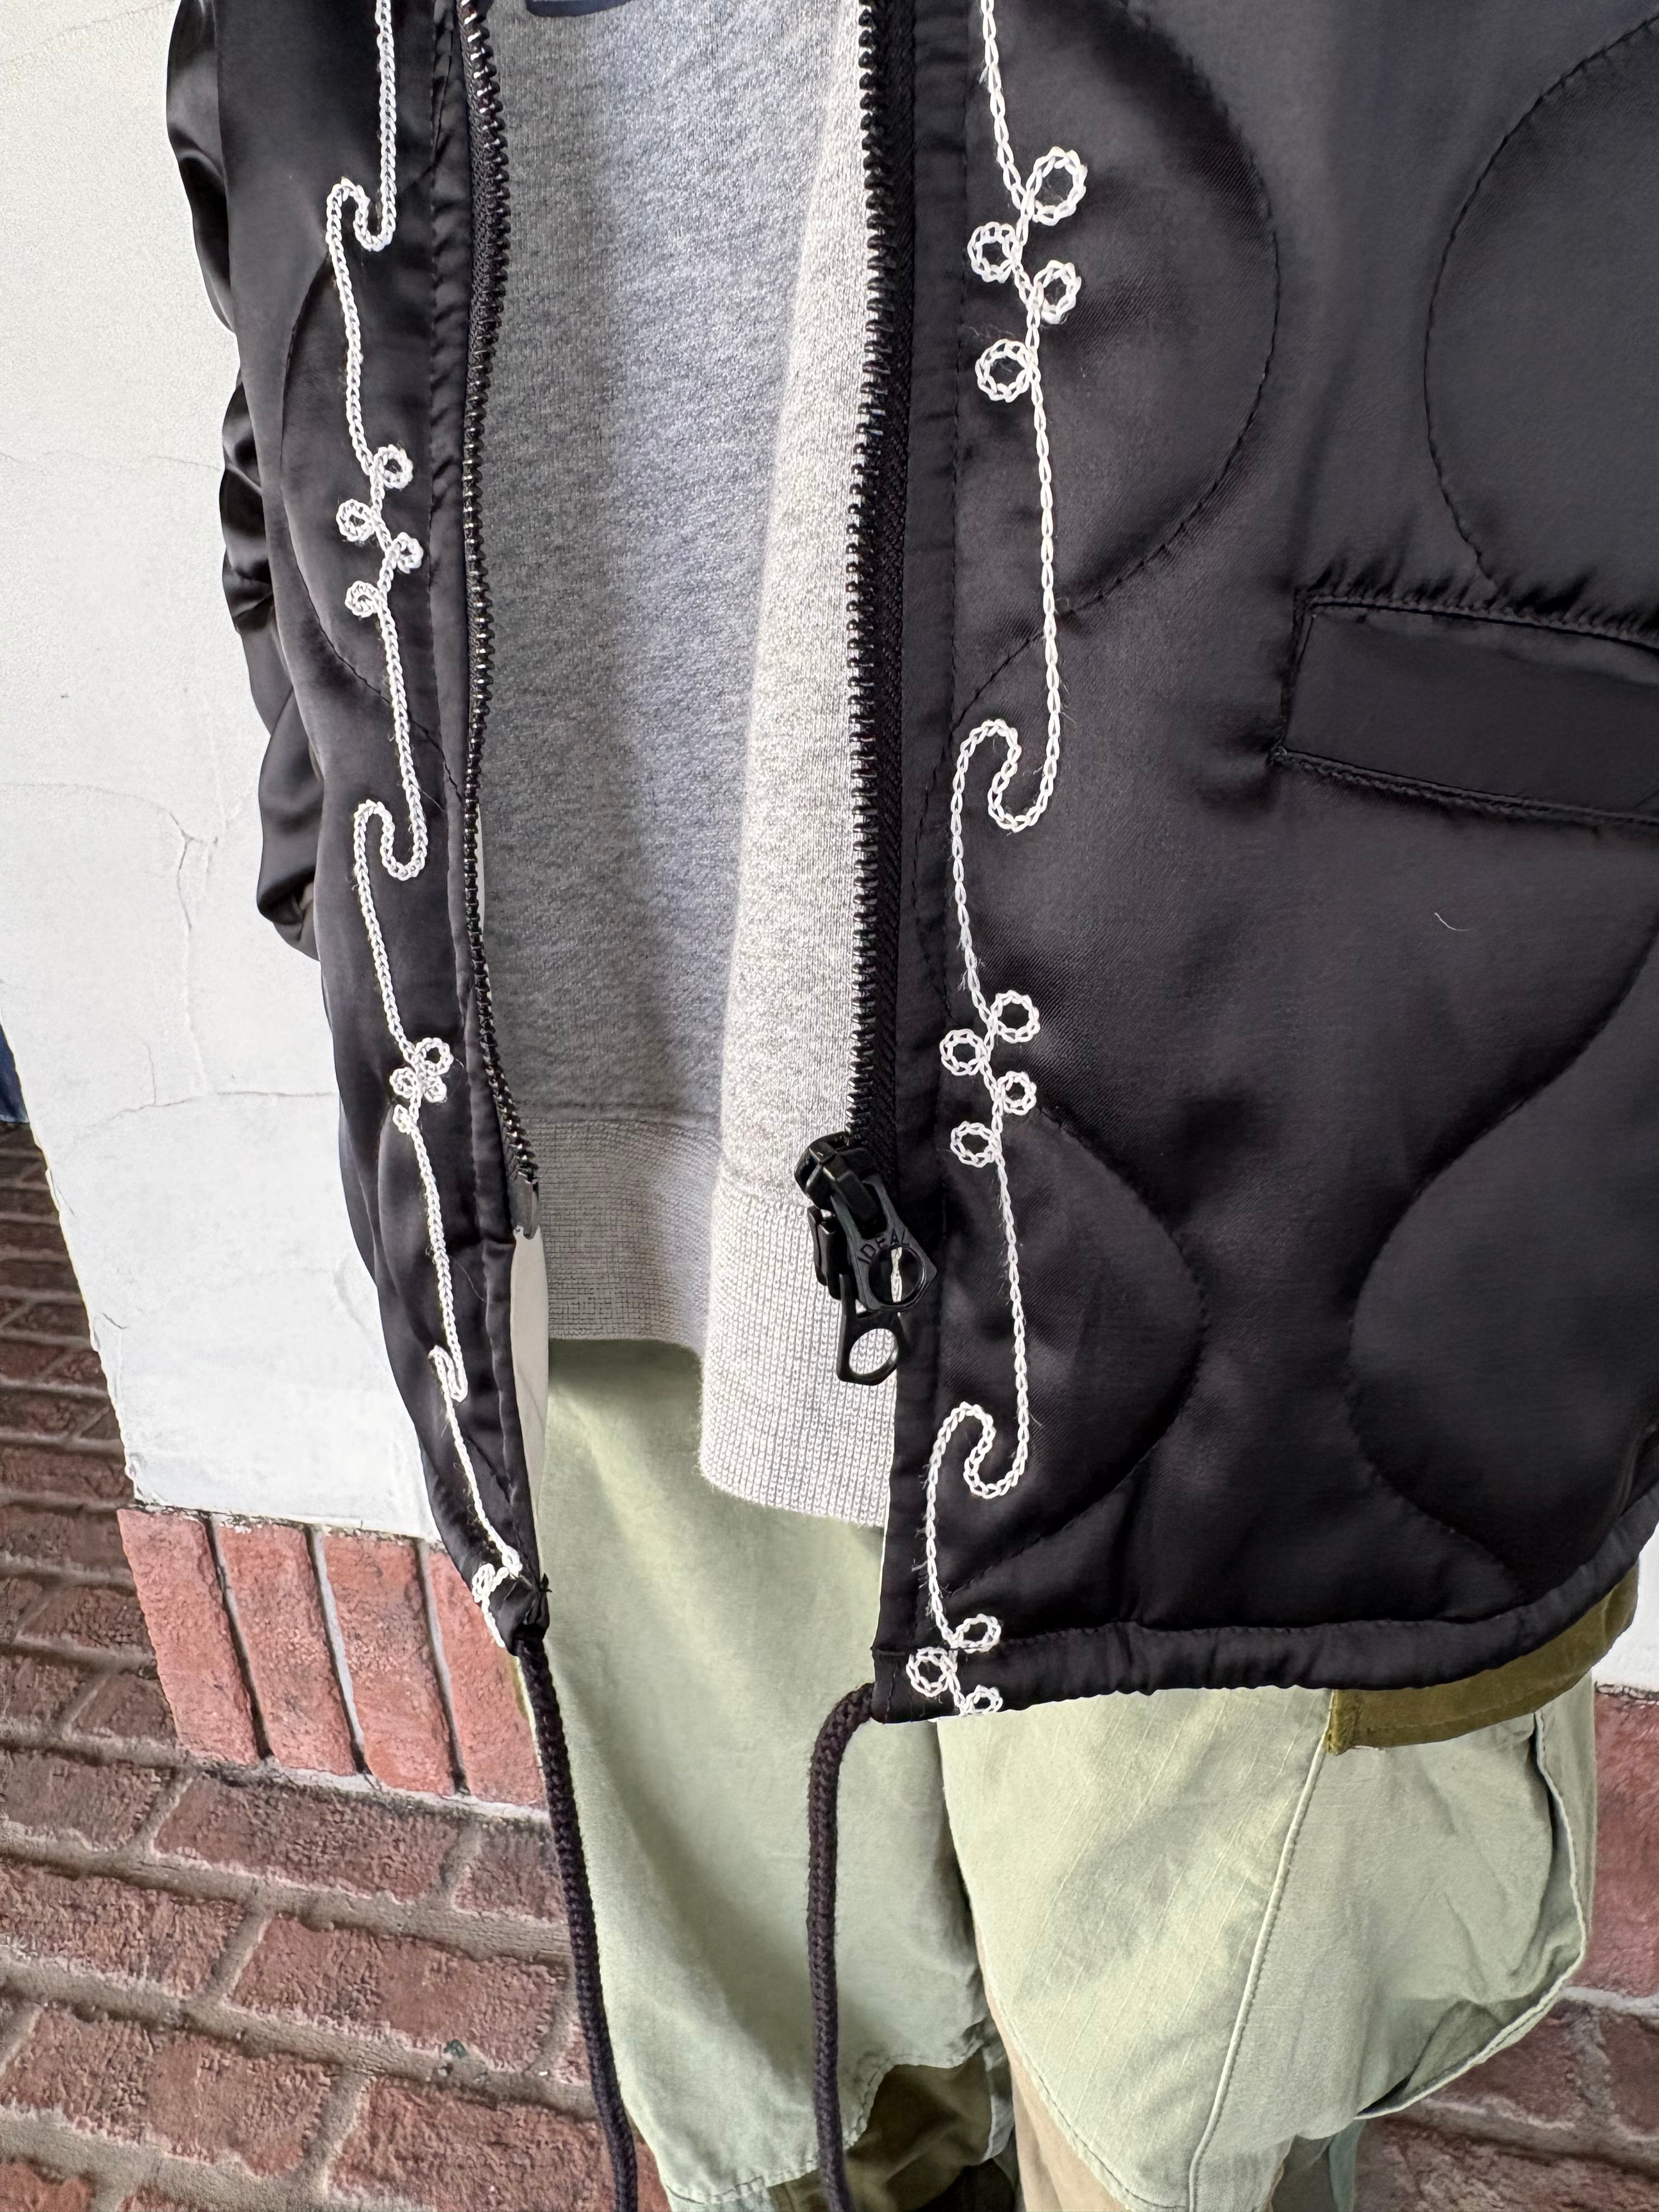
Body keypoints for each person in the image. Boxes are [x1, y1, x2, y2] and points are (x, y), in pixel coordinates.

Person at [167, 2, 1658, 2206]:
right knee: (776, 2109)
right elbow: (270, 229)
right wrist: (325, 796)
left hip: (1266, 1101)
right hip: (574, 1123)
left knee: (1172, 2122)